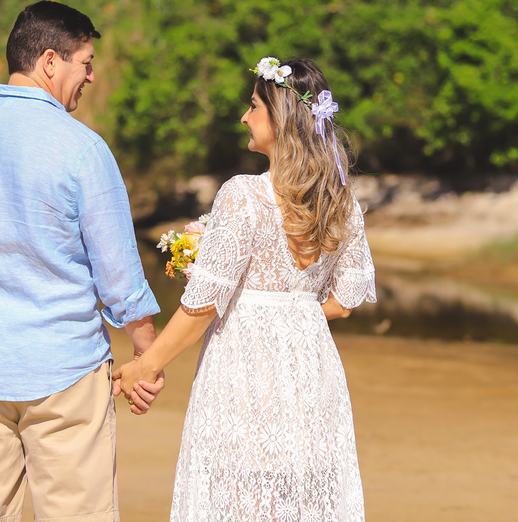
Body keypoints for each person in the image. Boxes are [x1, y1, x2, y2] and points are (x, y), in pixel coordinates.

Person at [0, 0, 163, 522]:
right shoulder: (84, 150)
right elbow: (118, 274)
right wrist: (146, 355)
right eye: (85, 62)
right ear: (50, 61)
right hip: (64, 372)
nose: (90, 75)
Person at [116, 56, 376, 521]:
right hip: (309, 367)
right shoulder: (342, 200)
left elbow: (203, 306)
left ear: (279, 116)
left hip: (245, 366)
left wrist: (146, 365)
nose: (244, 117)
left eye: (253, 106)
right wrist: (292, 313)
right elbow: (343, 303)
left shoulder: (244, 194)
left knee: (242, 492)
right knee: (296, 490)